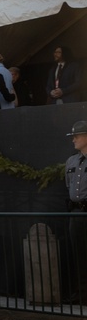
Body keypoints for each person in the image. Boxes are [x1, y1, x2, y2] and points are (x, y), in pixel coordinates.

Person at [64, 121, 87, 303]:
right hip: (77, 213)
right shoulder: (71, 161)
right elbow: (68, 186)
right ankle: (82, 293)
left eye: (77, 136)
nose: (73, 140)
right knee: (78, 254)